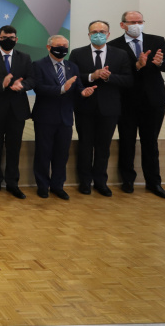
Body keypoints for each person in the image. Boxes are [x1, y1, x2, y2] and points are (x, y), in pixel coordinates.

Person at [108, 11, 165, 198]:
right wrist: (137, 66)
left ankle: (154, 182)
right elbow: (115, 73)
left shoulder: (157, 40)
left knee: (150, 143)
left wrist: (161, 63)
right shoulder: (114, 45)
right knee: (127, 141)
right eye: (132, 22)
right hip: (127, 101)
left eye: (140, 21)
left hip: (153, 100)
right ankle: (127, 180)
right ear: (123, 25)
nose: (137, 24)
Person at [69, 20, 133, 197]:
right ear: (89, 35)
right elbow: (72, 77)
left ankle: (101, 181)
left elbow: (128, 80)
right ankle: (85, 182)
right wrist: (92, 76)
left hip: (110, 107)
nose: (98, 34)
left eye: (102, 31)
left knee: (103, 147)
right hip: (85, 107)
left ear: (109, 34)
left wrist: (108, 77)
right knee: (85, 145)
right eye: (94, 32)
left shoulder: (120, 54)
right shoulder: (77, 53)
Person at [31, 35, 95, 200]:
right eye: (58, 46)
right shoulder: (38, 65)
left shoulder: (72, 66)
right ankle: (43, 186)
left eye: (65, 46)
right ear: (48, 47)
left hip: (65, 117)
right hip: (45, 117)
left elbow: (78, 86)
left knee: (61, 154)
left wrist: (83, 92)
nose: (62, 49)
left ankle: (57, 186)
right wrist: (61, 89)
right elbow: (38, 88)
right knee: (43, 153)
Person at [0, 26, 34, 199]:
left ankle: (12, 183)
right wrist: (1, 85)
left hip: (17, 110)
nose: (8, 40)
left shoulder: (24, 58)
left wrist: (23, 86)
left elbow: (32, 79)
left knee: (14, 147)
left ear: (16, 39)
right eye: (4, 37)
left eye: (12, 37)